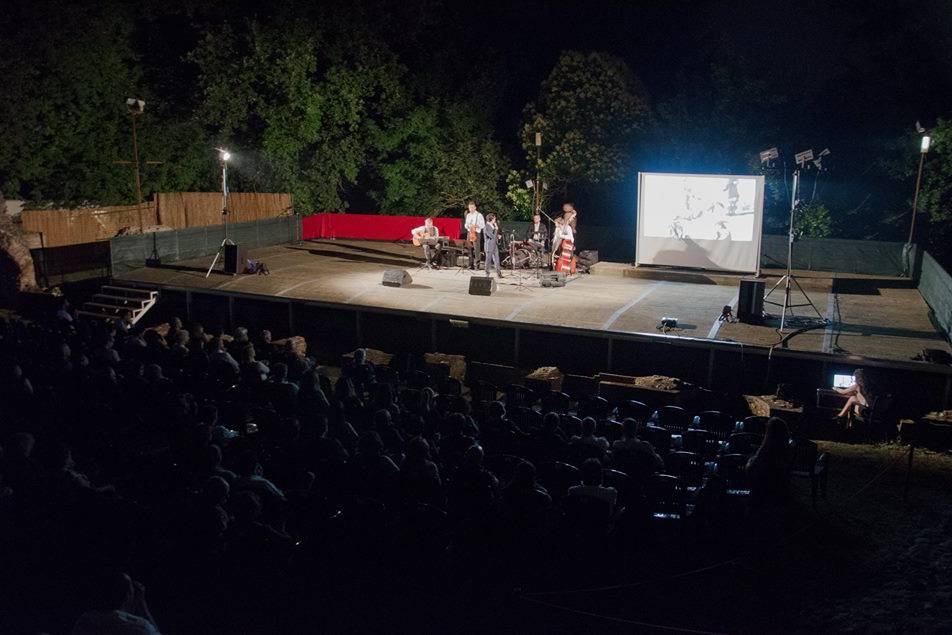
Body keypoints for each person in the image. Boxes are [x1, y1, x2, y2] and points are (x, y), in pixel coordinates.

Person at [463, 200, 485, 270]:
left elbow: (483, 225)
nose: (471, 209)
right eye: (469, 208)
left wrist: (477, 225)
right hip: (469, 232)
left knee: (476, 249)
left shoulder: (479, 215)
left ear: (475, 207)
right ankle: (471, 264)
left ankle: (477, 265)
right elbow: (465, 225)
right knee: (469, 248)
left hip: (476, 233)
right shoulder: (468, 215)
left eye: (472, 207)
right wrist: (468, 226)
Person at [483, 212, 503, 278]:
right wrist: (496, 229)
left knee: (497, 260)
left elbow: (494, 235)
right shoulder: (486, 227)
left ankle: (499, 273)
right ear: (491, 219)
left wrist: (498, 236)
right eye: (494, 218)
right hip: (489, 246)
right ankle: (487, 273)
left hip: (494, 245)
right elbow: (492, 236)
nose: (495, 220)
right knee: (488, 260)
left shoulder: (492, 226)